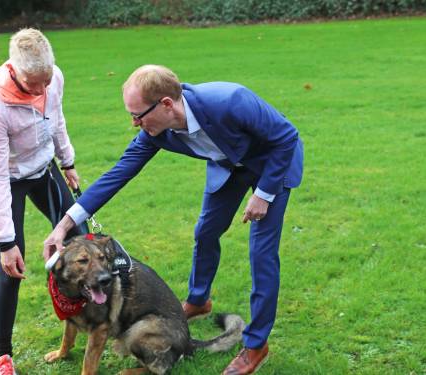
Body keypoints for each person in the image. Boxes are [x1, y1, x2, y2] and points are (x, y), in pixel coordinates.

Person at [44, 65, 304, 375]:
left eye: (139, 115)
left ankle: (256, 344)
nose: (134, 123)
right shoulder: (156, 132)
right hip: (228, 167)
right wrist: (64, 225)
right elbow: (116, 175)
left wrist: (263, 194)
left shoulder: (230, 100)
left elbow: (286, 137)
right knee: (206, 232)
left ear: (167, 104)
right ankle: (198, 300)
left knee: (261, 254)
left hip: (273, 166)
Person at [0, 28, 86, 374]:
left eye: (46, 80)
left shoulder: (53, 79)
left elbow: (57, 120)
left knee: (78, 238)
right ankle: (2, 355)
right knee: (11, 268)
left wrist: (67, 162)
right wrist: (6, 242)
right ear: (14, 69)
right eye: (33, 84)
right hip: (6, 178)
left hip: (43, 168)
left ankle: (92, 319)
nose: (41, 90)